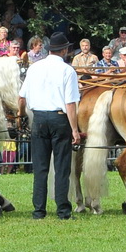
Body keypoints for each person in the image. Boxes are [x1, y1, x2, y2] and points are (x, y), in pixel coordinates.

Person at [18, 32, 81, 219]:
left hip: (38, 118)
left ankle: (39, 210)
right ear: (64, 50)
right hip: (59, 118)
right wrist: (75, 130)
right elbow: (70, 103)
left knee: (40, 167)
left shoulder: (35, 68)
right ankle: (63, 210)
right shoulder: (68, 71)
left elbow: (21, 98)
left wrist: (21, 117)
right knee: (61, 166)